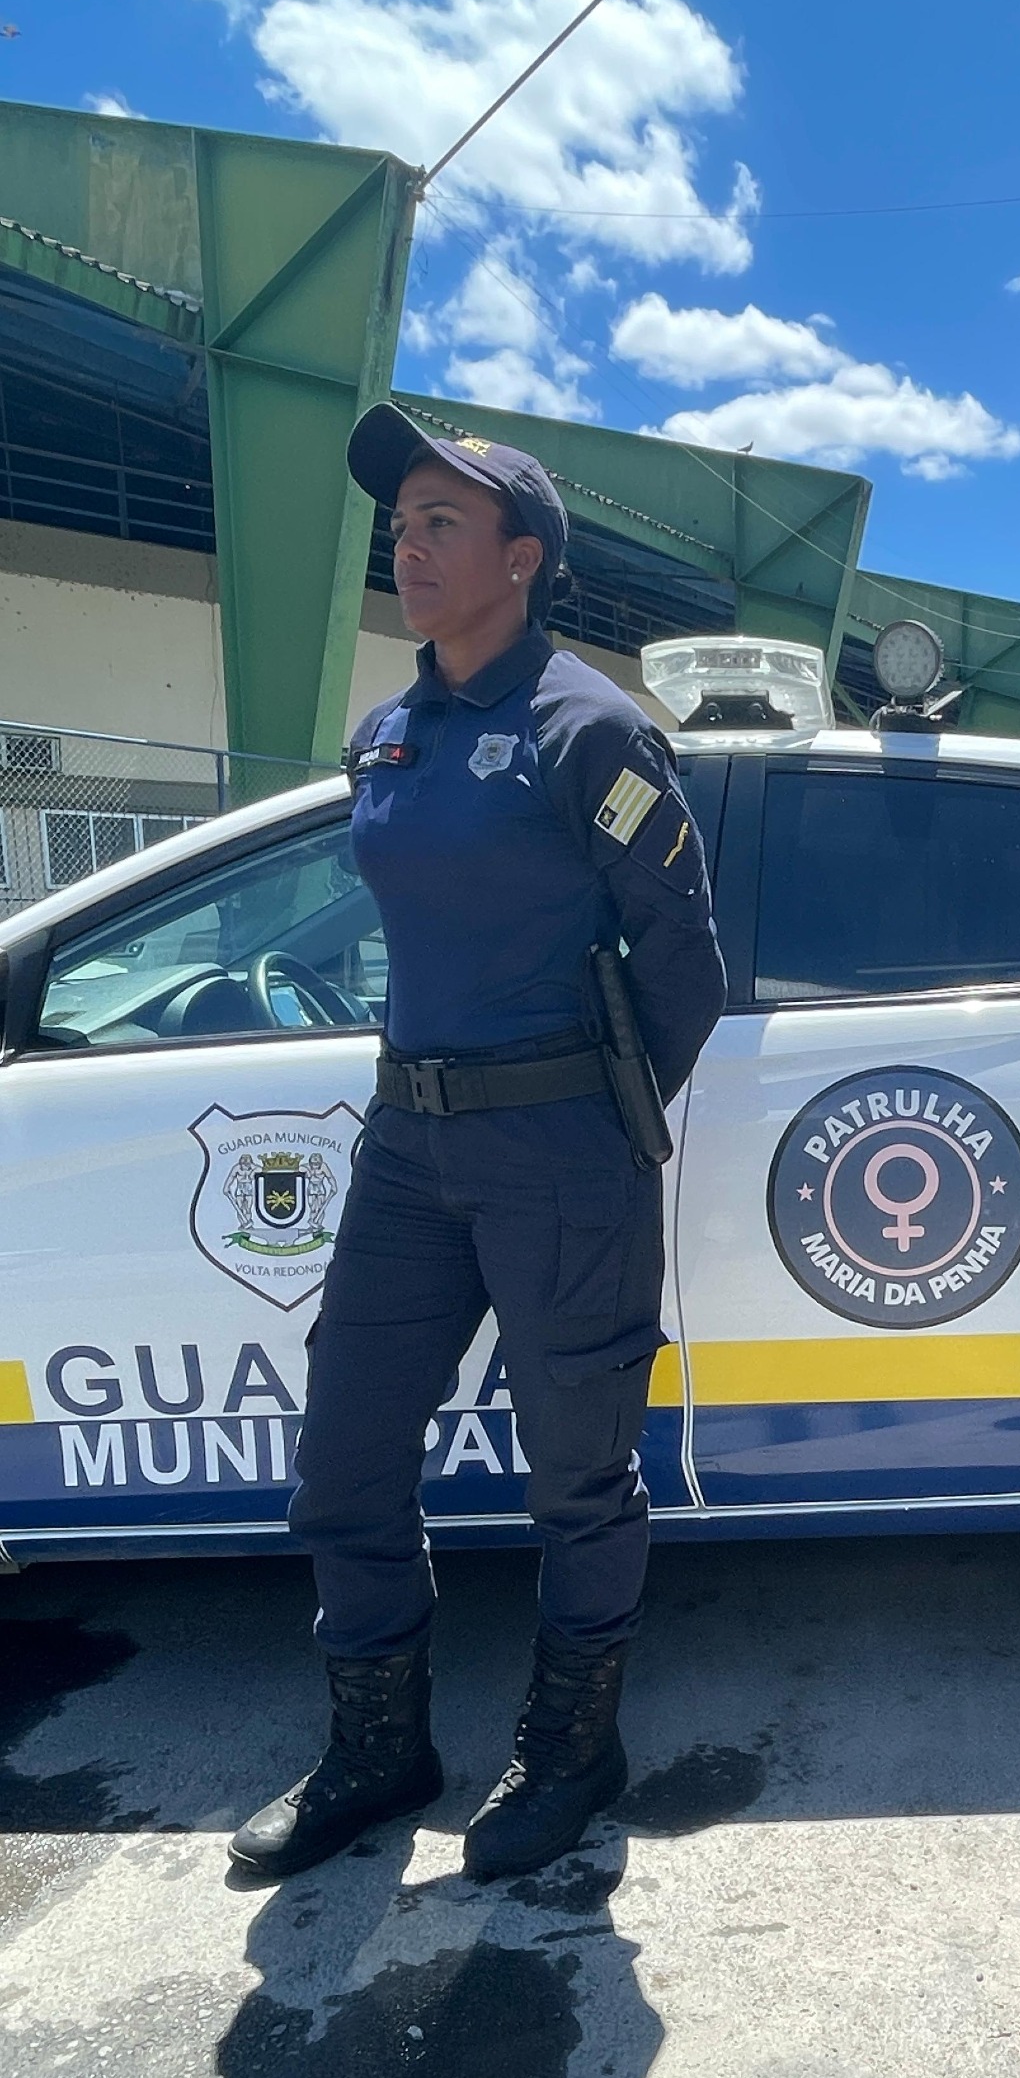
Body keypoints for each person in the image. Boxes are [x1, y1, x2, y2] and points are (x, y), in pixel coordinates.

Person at [230, 405, 725, 1886]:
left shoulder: (589, 729)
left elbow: (682, 962)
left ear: (523, 558)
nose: (408, 544)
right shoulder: (385, 731)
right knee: (344, 1457)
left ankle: (573, 1750)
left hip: (558, 1149)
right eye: (402, 523)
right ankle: (380, 1748)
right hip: (409, 1144)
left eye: (442, 521)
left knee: (577, 1475)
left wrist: (593, 1109)